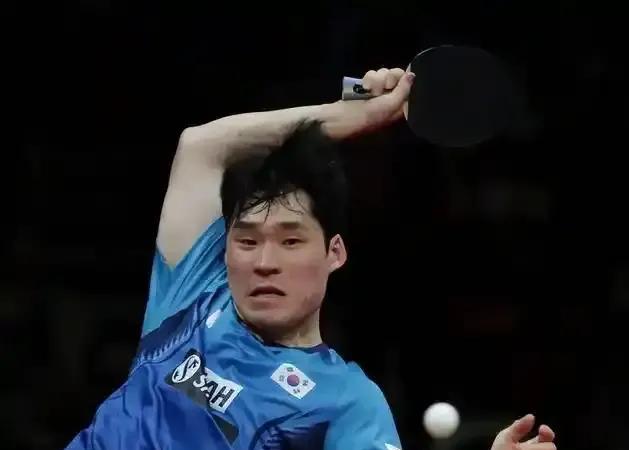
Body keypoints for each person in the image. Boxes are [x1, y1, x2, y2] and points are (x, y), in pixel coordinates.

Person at [66, 67, 557, 450]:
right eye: (247, 241)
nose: (264, 261)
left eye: (291, 241)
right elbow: (200, 145)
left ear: (334, 253)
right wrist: (350, 117)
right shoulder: (191, 297)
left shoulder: (345, 400)